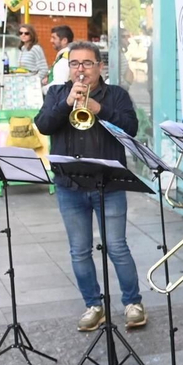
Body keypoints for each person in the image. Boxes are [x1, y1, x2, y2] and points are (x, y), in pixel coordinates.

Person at [34, 42, 147, 331]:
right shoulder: (57, 93)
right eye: (75, 64)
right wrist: (66, 104)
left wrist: (99, 109)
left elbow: (131, 129)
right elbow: (43, 125)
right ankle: (93, 305)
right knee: (79, 250)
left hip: (109, 185)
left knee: (117, 247)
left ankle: (133, 303)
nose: (80, 70)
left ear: (100, 66)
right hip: (69, 186)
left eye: (87, 63)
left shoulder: (117, 95)